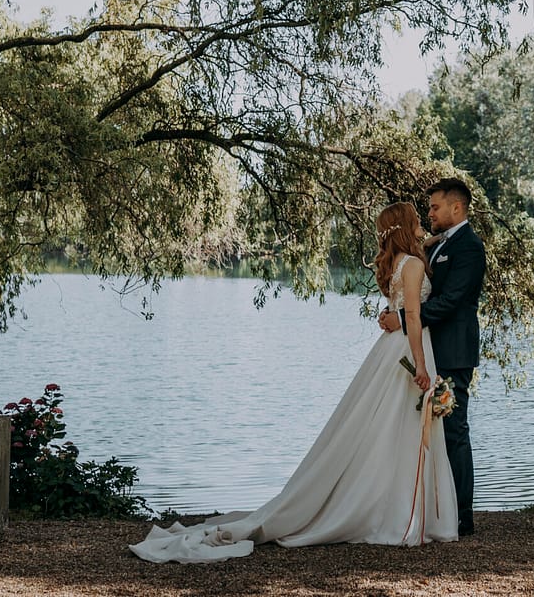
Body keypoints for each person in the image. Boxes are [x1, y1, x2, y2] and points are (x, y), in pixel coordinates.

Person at [128, 202, 457, 562]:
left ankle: (394, 506)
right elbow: (412, 315)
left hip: (389, 350)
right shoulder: (412, 265)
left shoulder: (399, 263)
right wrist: (421, 366)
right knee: (397, 429)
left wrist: (434, 238)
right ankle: (396, 513)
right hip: (409, 349)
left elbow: (416, 270)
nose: (423, 226)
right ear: (407, 228)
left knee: (386, 430)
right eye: (416, 222)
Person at [379, 177, 485, 537]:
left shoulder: (470, 246)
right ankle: (434, 508)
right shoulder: (440, 246)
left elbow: (451, 300)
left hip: (453, 352)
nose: (430, 213)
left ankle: (461, 515)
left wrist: (406, 318)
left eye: (435, 207)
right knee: (428, 432)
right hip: (430, 349)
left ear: (457, 208)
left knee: (454, 430)